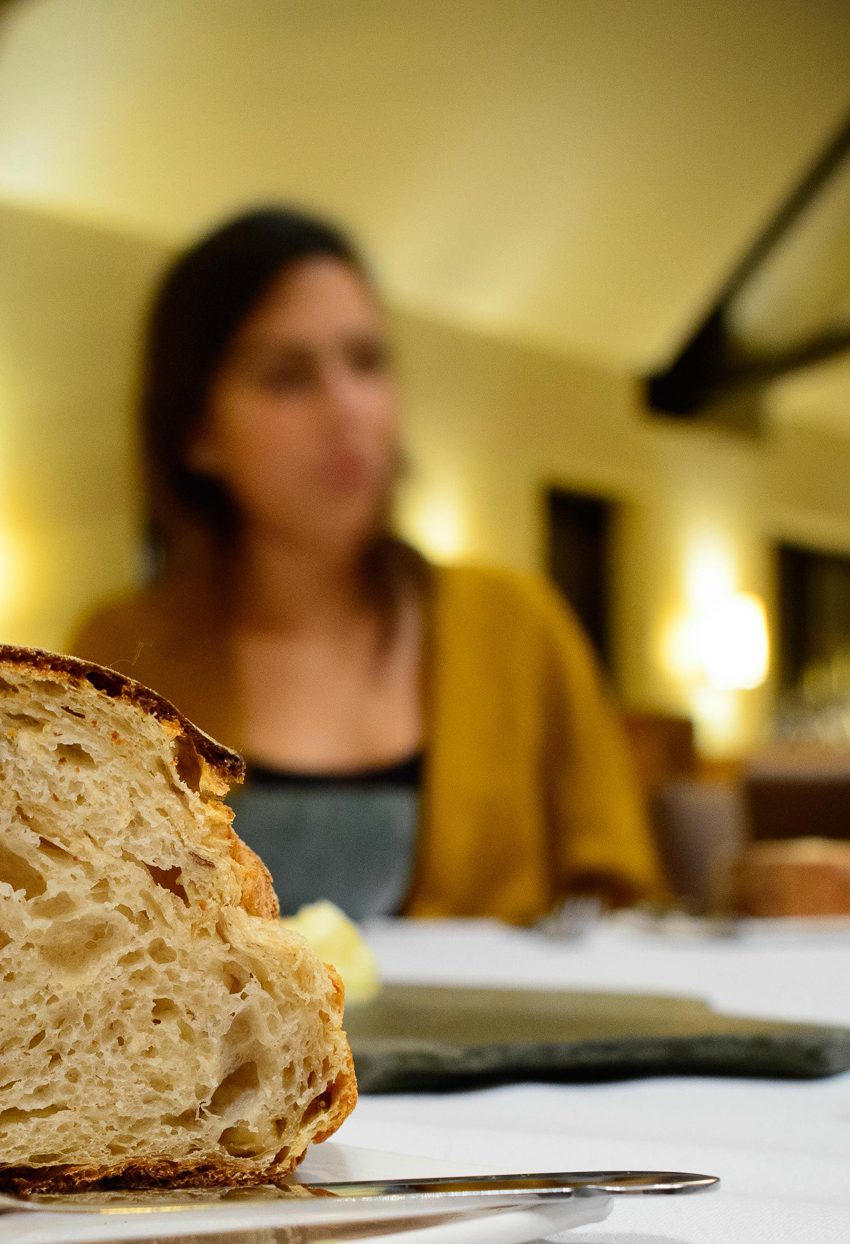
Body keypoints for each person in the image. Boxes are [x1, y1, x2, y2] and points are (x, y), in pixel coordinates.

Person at [71, 206, 663, 925]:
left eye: (367, 362)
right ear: (198, 432)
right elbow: (80, 912)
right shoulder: (120, 658)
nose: (346, 407)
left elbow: (622, 893)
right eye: (287, 375)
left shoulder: (515, 625)